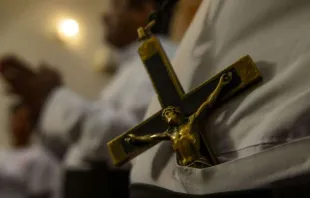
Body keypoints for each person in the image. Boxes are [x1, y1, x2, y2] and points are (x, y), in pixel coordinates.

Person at [128, 0, 310, 197]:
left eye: (171, 114)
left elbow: (206, 103)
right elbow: (153, 136)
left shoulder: (188, 122)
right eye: (169, 115)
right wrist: (134, 139)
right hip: (157, 183)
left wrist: (223, 84)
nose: (169, 116)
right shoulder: (172, 131)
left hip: (254, 169)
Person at [0, 0, 178, 197]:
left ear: (143, 11)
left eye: (115, 6)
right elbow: (86, 148)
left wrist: (52, 97)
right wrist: (42, 108)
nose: (104, 16)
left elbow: (134, 141)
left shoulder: (158, 59)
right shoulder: (131, 67)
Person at [0, 102, 60, 198]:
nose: (19, 125)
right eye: (16, 120)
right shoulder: (2, 155)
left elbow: (40, 193)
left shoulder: (40, 157)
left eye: (24, 121)